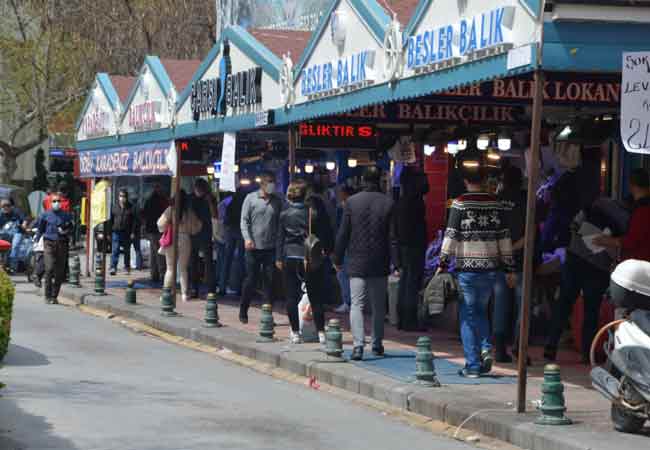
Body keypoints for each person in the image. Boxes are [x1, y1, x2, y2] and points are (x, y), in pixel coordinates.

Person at [438, 161, 515, 378]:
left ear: (465, 181)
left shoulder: (460, 204)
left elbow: (451, 235)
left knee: (467, 314)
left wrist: (442, 262)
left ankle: (472, 364)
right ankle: (484, 347)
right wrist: (509, 268)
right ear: (484, 181)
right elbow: (505, 237)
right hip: (491, 269)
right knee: (481, 310)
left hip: (467, 270)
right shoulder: (496, 204)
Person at [334, 167, 397, 361]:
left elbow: (343, 233)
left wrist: (337, 258)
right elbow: (392, 237)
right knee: (378, 307)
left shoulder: (352, 202)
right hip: (379, 261)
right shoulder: (388, 203)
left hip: (357, 261)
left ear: (362, 180)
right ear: (380, 180)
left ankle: (358, 346)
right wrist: (397, 263)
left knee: (357, 304)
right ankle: (377, 344)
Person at [276, 180, 333, 345]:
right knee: (316, 296)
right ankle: (321, 331)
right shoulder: (312, 212)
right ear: (305, 194)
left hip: (289, 257)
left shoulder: (284, 214)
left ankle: (295, 332)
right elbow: (323, 234)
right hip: (309, 258)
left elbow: (280, 237)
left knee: (291, 296)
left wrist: (278, 258)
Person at [493, 166, 527, 363]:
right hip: (520, 261)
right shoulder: (526, 201)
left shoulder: (495, 202)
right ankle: (518, 346)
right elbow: (529, 235)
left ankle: (498, 349)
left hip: (499, 261)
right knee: (522, 306)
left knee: (500, 304)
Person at [239, 172, 282, 324]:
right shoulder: (250, 199)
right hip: (253, 247)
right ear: (262, 184)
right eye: (270, 182)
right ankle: (243, 309)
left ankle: (268, 314)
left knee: (270, 282)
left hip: (270, 248)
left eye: (274, 182)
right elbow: (244, 221)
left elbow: (280, 223)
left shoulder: (277, 201)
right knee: (251, 279)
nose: (272, 185)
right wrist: (247, 239)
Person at [395, 167, 429, 331]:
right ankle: (409, 319)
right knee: (411, 281)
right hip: (414, 244)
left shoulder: (403, 199)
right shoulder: (414, 200)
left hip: (404, 244)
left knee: (406, 280)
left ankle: (402, 318)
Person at [593, 169, 650, 262]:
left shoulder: (642, 211)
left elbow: (631, 241)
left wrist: (607, 241)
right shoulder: (636, 205)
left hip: (638, 263)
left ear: (632, 185)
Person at [157, 189, 201, 302]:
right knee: (183, 269)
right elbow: (196, 227)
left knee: (170, 269)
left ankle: (166, 293)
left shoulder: (170, 210)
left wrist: (167, 227)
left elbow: (160, 224)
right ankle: (184, 294)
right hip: (185, 239)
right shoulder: (189, 211)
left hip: (172, 238)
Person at [36, 194, 73, 304]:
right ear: (51, 202)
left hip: (62, 244)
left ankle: (54, 296)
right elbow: (40, 229)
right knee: (49, 268)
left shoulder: (66, 215)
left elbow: (71, 228)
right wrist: (36, 240)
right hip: (49, 243)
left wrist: (66, 231)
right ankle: (47, 296)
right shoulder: (45, 215)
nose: (57, 203)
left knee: (59, 272)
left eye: (58, 201)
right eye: (54, 201)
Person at [188, 178, 217, 298]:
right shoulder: (206, 198)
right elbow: (215, 215)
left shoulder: (205, 198)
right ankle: (207, 289)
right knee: (204, 261)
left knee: (198, 261)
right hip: (201, 232)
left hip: (198, 233)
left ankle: (200, 288)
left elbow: (214, 214)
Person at [219, 189, 246, 295]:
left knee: (227, 260)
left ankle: (222, 287)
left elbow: (225, 219)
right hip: (241, 231)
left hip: (230, 231)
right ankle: (239, 288)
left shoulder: (231, 203)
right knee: (241, 260)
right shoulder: (243, 204)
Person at [334, 186, 355, 313]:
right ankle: (348, 301)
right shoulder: (343, 207)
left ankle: (348, 302)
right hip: (350, 245)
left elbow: (341, 231)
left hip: (347, 246)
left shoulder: (344, 208)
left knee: (343, 274)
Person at [142, 183, 169, 282]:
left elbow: (144, 213)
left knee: (154, 252)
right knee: (159, 252)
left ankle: (154, 273)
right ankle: (162, 273)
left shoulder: (149, 200)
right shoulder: (161, 200)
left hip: (151, 230)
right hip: (158, 230)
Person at [109, 189, 137, 275]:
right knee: (115, 249)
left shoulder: (131, 207)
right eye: (120, 196)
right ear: (118, 197)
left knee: (126, 251)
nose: (122, 198)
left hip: (127, 232)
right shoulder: (114, 207)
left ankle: (126, 267)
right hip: (116, 231)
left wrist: (133, 232)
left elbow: (134, 221)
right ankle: (113, 267)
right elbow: (111, 220)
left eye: (123, 196)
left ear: (126, 197)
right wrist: (109, 232)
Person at [0, 198, 25, 273]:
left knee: (15, 246)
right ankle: (3, 264)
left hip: (17, 232)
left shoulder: (17, 211)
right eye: (3, 206)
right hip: (4, 233)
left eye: (8, 205)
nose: (6, 207)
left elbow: (24, 220)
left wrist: (24, 224)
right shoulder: (0, 213)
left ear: (11, 206)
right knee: (3, 247)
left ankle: (13, 267)